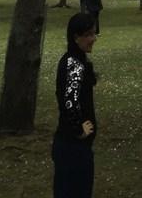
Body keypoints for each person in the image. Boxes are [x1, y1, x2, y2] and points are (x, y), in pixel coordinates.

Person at [52, 12, 98, 198]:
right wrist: (79, 128)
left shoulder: (78, 61)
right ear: (75, 37)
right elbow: (69, 101)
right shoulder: (73, 64)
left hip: (76, 147)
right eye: (88, 35)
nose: (93, 39)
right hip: (71, 146)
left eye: (94, 34)